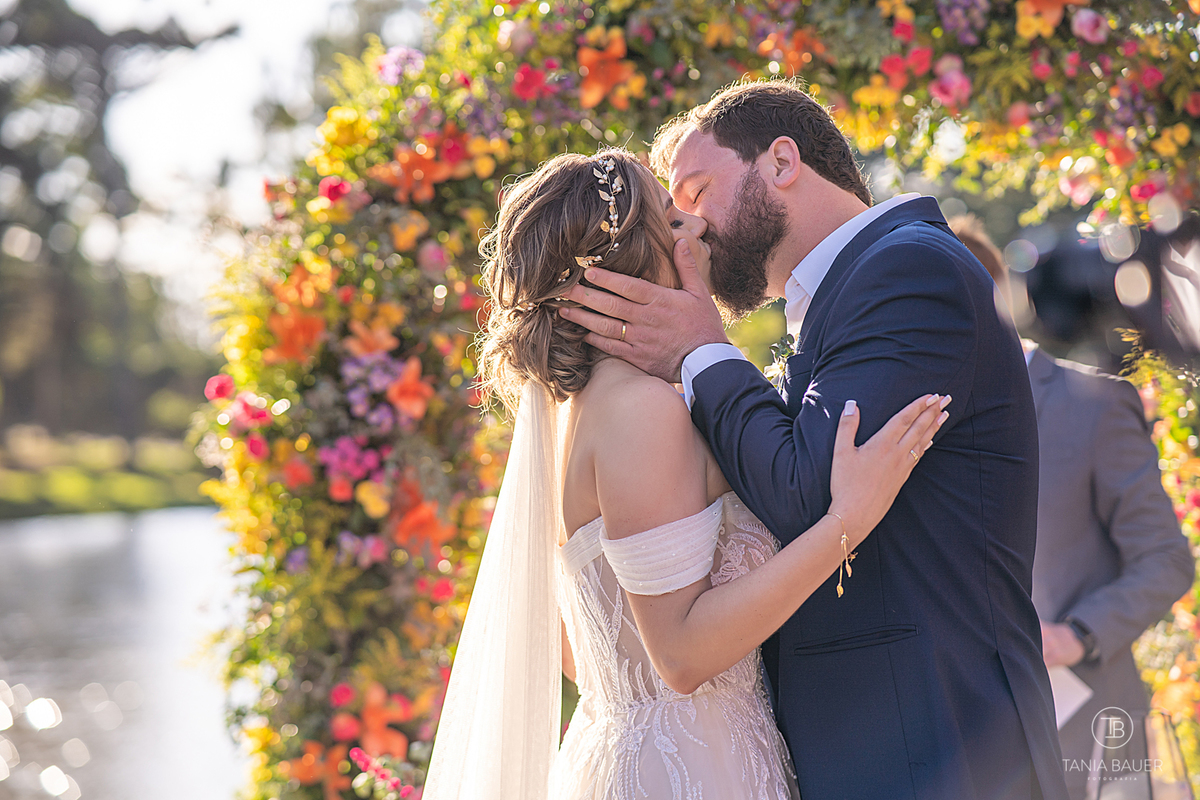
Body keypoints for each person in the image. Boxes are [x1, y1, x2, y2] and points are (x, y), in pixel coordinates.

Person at [558, 80, 1070, 800]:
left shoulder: (908, 270)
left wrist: (701, 349)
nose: (692, 231)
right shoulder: (842, 299)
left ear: (782, 161)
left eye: (699, 192)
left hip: (937, 746)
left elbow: (807, 492)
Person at [421, 149, 949, 800]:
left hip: (653, 753)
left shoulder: (584, 414)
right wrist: (845, 524)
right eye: (673, 221)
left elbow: (582, 645)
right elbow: (680, 655)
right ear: (624, 269)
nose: (695, 231)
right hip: (691, 771)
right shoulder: (642, 413)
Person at [951, 214, 1195, 800]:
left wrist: (1077, 636)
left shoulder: (1095, 404)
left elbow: (1166, 558)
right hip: (973, 742)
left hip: (1089, 726)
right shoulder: (918, 422)